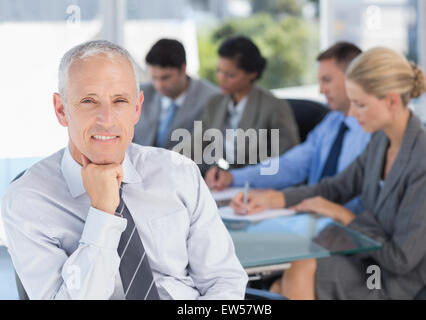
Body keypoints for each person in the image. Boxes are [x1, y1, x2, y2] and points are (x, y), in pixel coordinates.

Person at [1, 40, 247, 300]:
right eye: (88, 101)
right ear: (61, 110)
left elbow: (223, 281)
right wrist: (102, 213)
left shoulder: (178, 173)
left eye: (119, 100)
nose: (106, 120)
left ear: (137, 108)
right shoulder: (28, 200)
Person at [232, 47, 426, 300]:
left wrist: (344, 215)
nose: (352, 113)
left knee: (300, 269)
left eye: (360, 104)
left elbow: (400, 259)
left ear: (391, 101)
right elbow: (335, 187)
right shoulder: (382, 140)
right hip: (374, 258)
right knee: (289, 277)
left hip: (407, 278)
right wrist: (275, 199)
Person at [206, 42, 370, 214]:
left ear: (354, 79)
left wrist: (282, 198)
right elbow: (290, 165)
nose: (321, 90)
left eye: (327, 80)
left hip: (349, 226)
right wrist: (233, 177)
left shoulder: (373, 133)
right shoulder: (331, 123)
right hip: (310, 219)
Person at [199, 36, 299, 175]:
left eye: (230, 75)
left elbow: (288, 161)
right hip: (222, 186)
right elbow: (196, 147)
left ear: (252, 74)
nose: (221, 78)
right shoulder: (215, 103)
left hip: (259, 185)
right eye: (219, 71)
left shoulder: (274, 107)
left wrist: (235, 177)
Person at [133, 38, 219, 149]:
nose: (159, 85)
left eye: (165, 77)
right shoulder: (140, 94)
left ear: (183, 69)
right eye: (154, 77)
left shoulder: (211, 99)